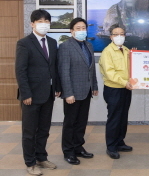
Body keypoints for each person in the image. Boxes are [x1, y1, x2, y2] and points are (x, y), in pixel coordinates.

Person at [15, 9, 61, 175]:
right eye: (40, 21)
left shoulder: (52, 42)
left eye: (47, 21)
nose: (44, 24)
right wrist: (25, 94)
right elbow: (21, 70)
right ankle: (30, 162)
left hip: (48, 94)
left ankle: (41, 157)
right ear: (32, 24)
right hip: (31, 95)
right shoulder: (24, 43)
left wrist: (57, 87)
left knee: (43, 129)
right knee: (29, 131)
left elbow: (54, 67)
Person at [58, 17, 98, 165]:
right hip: (72, 93)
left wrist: (94, 86)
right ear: (71, 31)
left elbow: (91, 68)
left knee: (81, 122)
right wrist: (68, 93)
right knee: (70, 123)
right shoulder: (65, 46)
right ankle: (68, 151)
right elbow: (64, 72)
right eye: (78, 28)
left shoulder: (89, 45)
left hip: (86, 90)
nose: (81, 31)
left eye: (83, 28)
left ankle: (78, 147)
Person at [99, 24, 133, 159]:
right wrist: (125, 83)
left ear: (125, 36)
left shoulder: (126, 50)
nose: (119, 36)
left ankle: (120, 142)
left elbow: (134, 68)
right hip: (114, 89)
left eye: (122, 34)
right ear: (111, 36)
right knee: (114, 117)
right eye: (116, 34)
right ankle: (111, 146)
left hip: (126, 88)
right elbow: (109, 73)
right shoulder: (107, 52)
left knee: (123, 116)